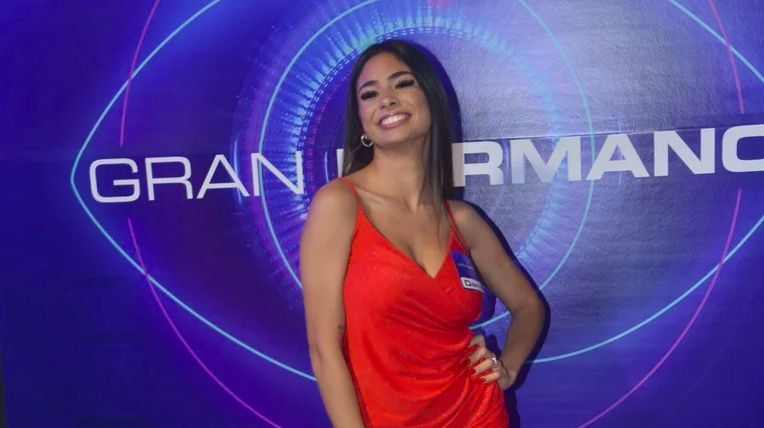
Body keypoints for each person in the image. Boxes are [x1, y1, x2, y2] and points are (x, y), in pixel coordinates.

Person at [300, 39, 545, 427]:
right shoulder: (339, 204)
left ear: (431, 99)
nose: (386, 99)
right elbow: (323, 348)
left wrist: (508, 368)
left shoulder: (463, 220)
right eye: (369, 94)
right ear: (361, 122)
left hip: (478, 414)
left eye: (402, 83)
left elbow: (529, 307)